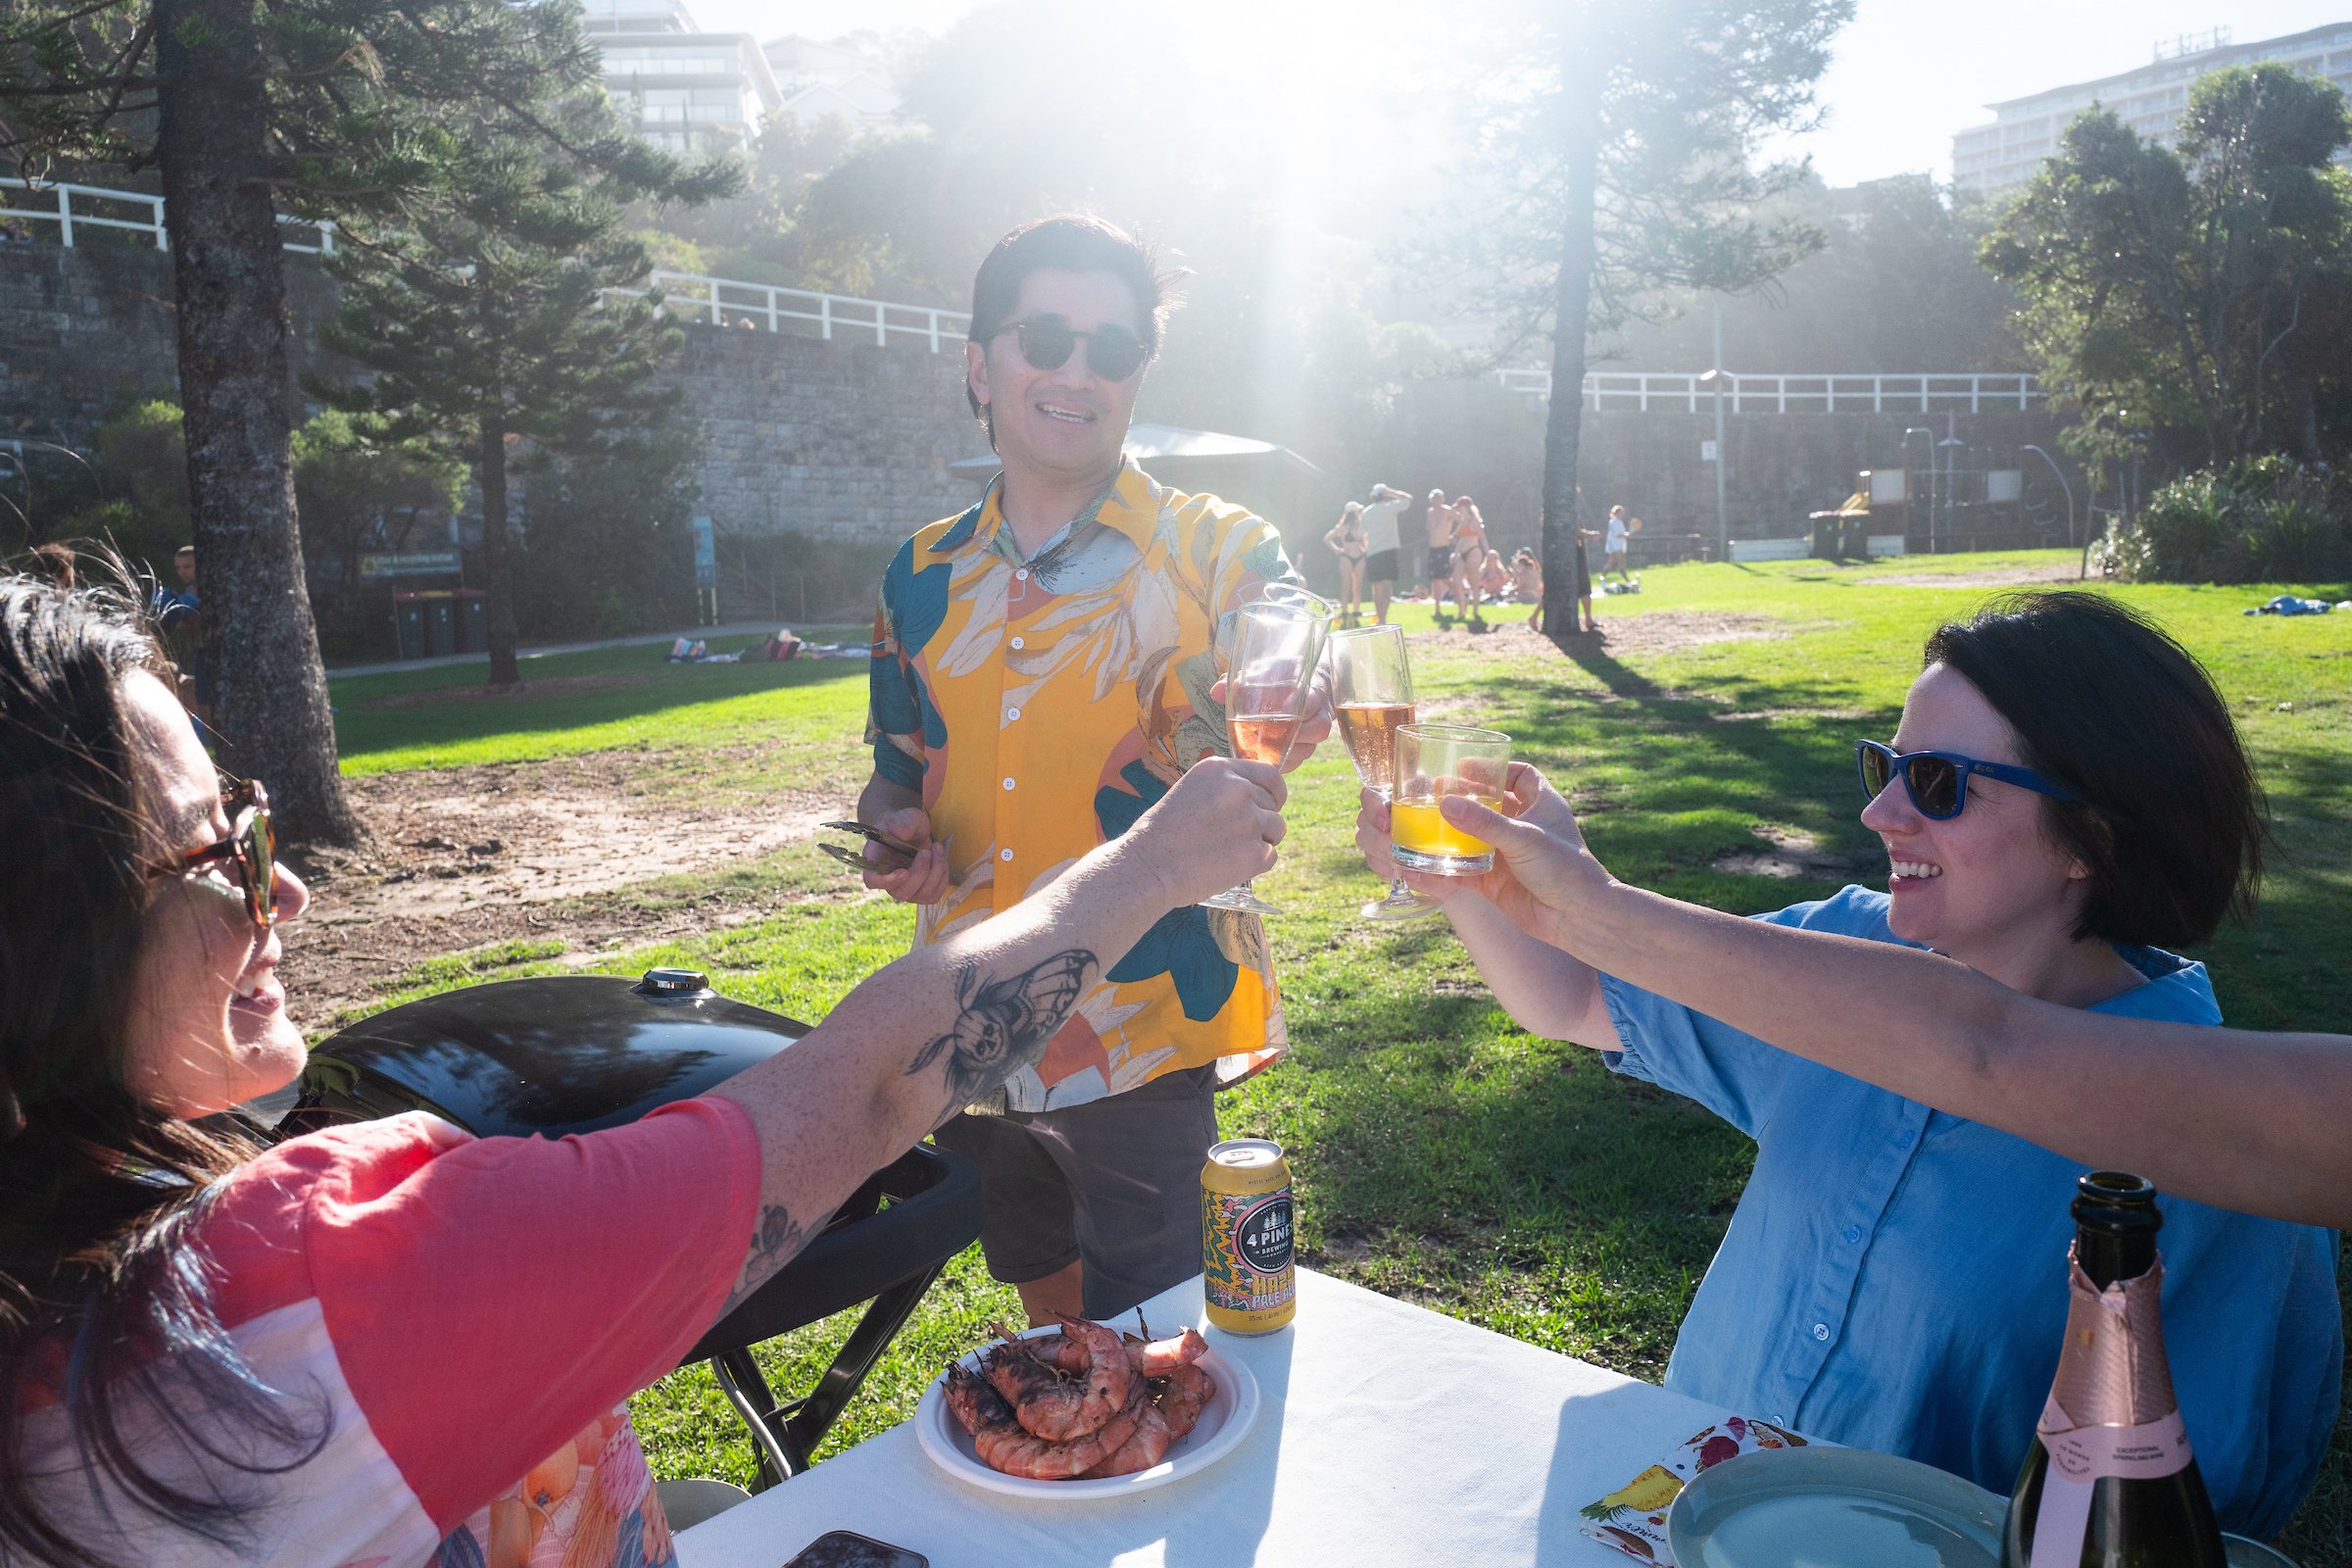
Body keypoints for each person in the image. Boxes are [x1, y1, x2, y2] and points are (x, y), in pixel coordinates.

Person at [0, 570, 1287, 1568]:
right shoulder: (317, 1287)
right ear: (48, 953)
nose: (274, 881)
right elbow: (876, 1089)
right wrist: (1153, 865)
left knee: (718, 1500)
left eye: (256, 821)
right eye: (212, 850)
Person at [1353, 591, 2338, 1539]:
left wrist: (1595, 902)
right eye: (1889, 766)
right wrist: (1483, 878)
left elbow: (2187, 1508)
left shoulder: (2208, 1143)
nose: (1881, 816)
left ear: (2095, 836)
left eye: (1941, 785)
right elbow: (1573, 996)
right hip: (1684, 1521)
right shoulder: (1831, 953)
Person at [858, 215, 1327, 1326]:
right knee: (1048, 1313)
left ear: (1138, 376)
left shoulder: (1222, 547)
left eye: (1111, 350)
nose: (1078, 371)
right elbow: (894, 776)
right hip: (968, 1010)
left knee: (1165, 1336)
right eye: (1045, 339)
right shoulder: (917, 573)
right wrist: (894, 835)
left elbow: (1294, 637)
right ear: (981, 365)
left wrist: (1298, 687)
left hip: (1147, 1023)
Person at [1356, 482, 1409, 624]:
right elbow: (1408, 499)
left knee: (1377, 588)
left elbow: (1359, 535)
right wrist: (1391, 492)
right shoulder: (1390, 508)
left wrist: (1365, 549)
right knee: (1387, 587)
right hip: (1388, 552)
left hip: (1373, 553)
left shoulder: (1366, 512)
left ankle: (1380, 618)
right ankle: (1383, 618)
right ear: (1384, 495)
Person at [1324, 501, 1367, 628]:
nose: (1360, 512)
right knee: (1346, 586)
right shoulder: (1341, 527)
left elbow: (1365, 544)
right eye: (1358, 510)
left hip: (1360, 557)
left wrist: (1363, 549)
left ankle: (1355, 612)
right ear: (1353, 513)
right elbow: (1327, 539)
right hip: (1346, 558)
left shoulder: (1361, 526)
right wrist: (1338, 550)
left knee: (1357, 586)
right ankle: (1344, 612)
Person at [1447, 497, 1488, 630]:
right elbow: (1459, 539)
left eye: (1460, 507)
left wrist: (1488, 552)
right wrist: (1455, 552)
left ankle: (1475, 611)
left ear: (1466, 507)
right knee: (1455, 581)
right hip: (1462, 553)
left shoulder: (1474, 521)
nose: (1458, 509)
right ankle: (1462, 608)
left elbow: (1482, 537)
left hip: (1473, 551)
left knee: (1474, 583)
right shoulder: (1463, 522)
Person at [1421, 487, 1455, 608]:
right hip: (1433, 547)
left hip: (1443, 546)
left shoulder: (1448, 511)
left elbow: (1461, 520)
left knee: (1445, 577)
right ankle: (1437, 607)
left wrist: (1454, 535)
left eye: (1438, 498)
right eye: (1434, 499)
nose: (1436, 501)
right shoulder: (1430, 512)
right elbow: (1429, 528)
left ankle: (1460, 595)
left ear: (1442, 499)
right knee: (1435, 579)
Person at [1600, 505, 1632, 585]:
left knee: (1610, 562)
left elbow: (1621, 533)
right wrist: (1626, 534)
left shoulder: (1619, 522)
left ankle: (1602, 577)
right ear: (1616, 513)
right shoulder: (1613, 522)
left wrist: (1625, 534)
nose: (1621, 514)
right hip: (1615, 546)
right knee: (1621, 561)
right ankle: (1627, 580)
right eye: (1620, 513)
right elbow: (1617, 534)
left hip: (1618, 545)